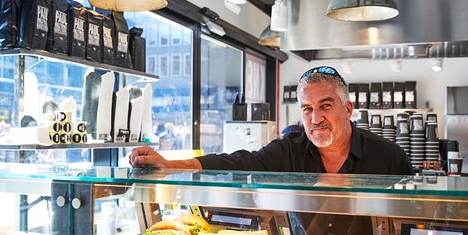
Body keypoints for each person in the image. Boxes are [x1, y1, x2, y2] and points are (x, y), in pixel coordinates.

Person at [130, 66, 413, 175]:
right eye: (307, 109)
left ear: (348, 108)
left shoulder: (389, 156)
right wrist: (167, 164)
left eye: (325, 106)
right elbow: (237, 162)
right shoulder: (289, 149)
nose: (315, 118)